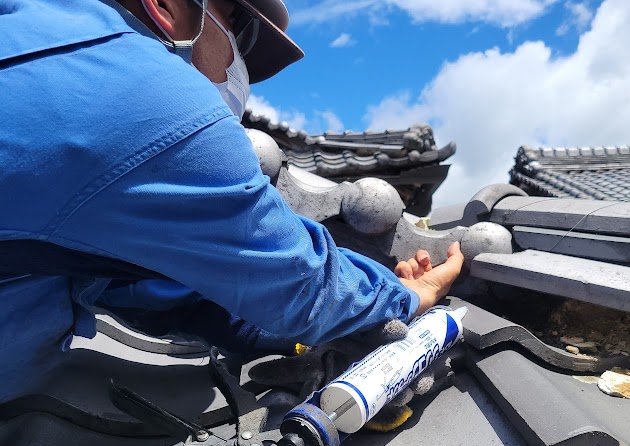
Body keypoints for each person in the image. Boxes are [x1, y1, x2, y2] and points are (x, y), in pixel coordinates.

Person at [0, 0, 463, 402]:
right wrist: (400, 296)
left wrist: (267, 327)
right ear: (165, 6)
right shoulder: (139, 92)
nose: (240, 69)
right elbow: (297, 281)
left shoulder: (44, 35)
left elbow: (144, 286)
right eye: (238, 32)